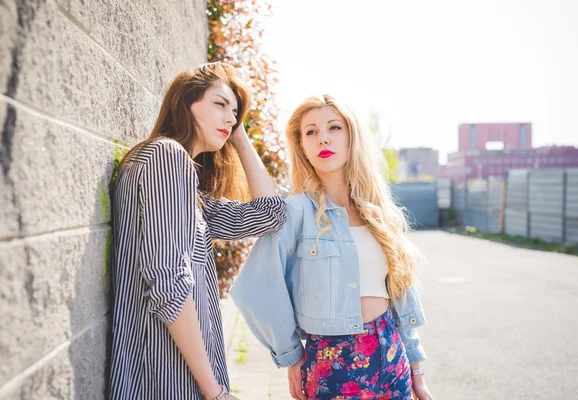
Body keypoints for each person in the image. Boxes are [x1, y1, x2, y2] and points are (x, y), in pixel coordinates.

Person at [230, 94, 434, 400]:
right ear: (302, 147)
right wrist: (292, 354)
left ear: (352, 136)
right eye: (311, 132)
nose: (322, 138)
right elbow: (255, 286)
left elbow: (401, 295)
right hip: (330, 365)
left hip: (392, 357)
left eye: (334, 128)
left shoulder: (380, 213)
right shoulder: (296, 211)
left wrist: (416, 370)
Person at [109, 62, 286, 400]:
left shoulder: (192, 195)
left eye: (235, 113)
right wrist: (214, 391)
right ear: (184, 104)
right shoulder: (166, 157)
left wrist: (239, 136)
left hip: (183, 374)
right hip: (167, 376)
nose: (230, 117)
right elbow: (168, 281)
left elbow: (270, 215)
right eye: (219, 104)